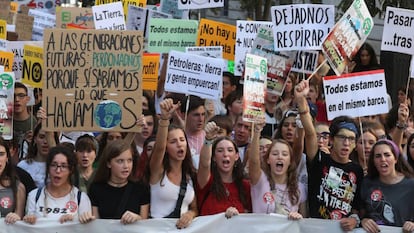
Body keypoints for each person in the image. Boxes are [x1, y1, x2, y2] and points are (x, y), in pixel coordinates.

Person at [298, 79, 364, 232]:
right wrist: (301, 99)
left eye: (351, 139)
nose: (346, 143)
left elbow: (356, 207)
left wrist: (354, 220)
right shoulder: (319, 159)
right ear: (332, 140)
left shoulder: (358, 171)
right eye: (342, 138)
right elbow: (309, 133)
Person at [149, 98, 198, 229]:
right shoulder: (158, 171)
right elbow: (159, 148)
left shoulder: (190, 176)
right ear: (166, 147)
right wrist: (164, 119)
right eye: (173, 142)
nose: (179, 144)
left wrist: (190, 214)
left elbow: (194, 208)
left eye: (182, 140)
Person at [249, 121, 306, 219]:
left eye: (284, 154)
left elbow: (305, 221)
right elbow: (254, 161)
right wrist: (257, 131)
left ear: (290, 161)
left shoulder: (299, 188)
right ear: (268, 160)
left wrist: (298, 217)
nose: (280, 157)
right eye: (275, 154)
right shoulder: (260, 180)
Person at [87, 137, 150, 224]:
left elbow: (146, 224)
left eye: (129, 160)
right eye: (120, 161)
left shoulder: (141, 188)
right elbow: (96, 224)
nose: (126, 166)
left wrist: (137, 218)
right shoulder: (96, 189)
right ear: (109, 163)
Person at [23, 146, 92, 224]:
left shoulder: (81, 198)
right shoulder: (34, 196)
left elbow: (86, 229)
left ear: (71, 170)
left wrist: (73, 223)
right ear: (48, 168)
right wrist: (29, 220)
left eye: (63, 166)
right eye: (53, 165)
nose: (58, 170)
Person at [197, 121, 251, 217]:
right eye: (220, 151)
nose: (225, 154)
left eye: (230, 150)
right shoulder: (207, 181)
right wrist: (208, 139)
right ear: (213, 157)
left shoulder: (245, 186)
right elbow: (204, 164)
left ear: (237, 156)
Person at [360, 139, 414, 233]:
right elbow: (359, 213)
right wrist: (363, 221)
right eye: (378, 156)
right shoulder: (367, 183)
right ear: (373, 161)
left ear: (396, 158)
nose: (383, 159)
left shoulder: (411, 184)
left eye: (387, 155)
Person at [17, 123, 59, 188]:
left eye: (48, 138)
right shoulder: (23, 166)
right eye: (41, 137)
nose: (45, 141)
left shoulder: (60, 167)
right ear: (35, 139)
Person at [0, 137, 26, 224]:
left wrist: (16, 217)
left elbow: (20, 222)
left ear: (7, 157)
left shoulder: (18, 187)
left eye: (1, 154)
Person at [14, 82, 37, 160]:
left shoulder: (35, 124)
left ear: (27, 99)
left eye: (21, 96)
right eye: (13, 96)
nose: (16, 99)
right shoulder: (4, 122)